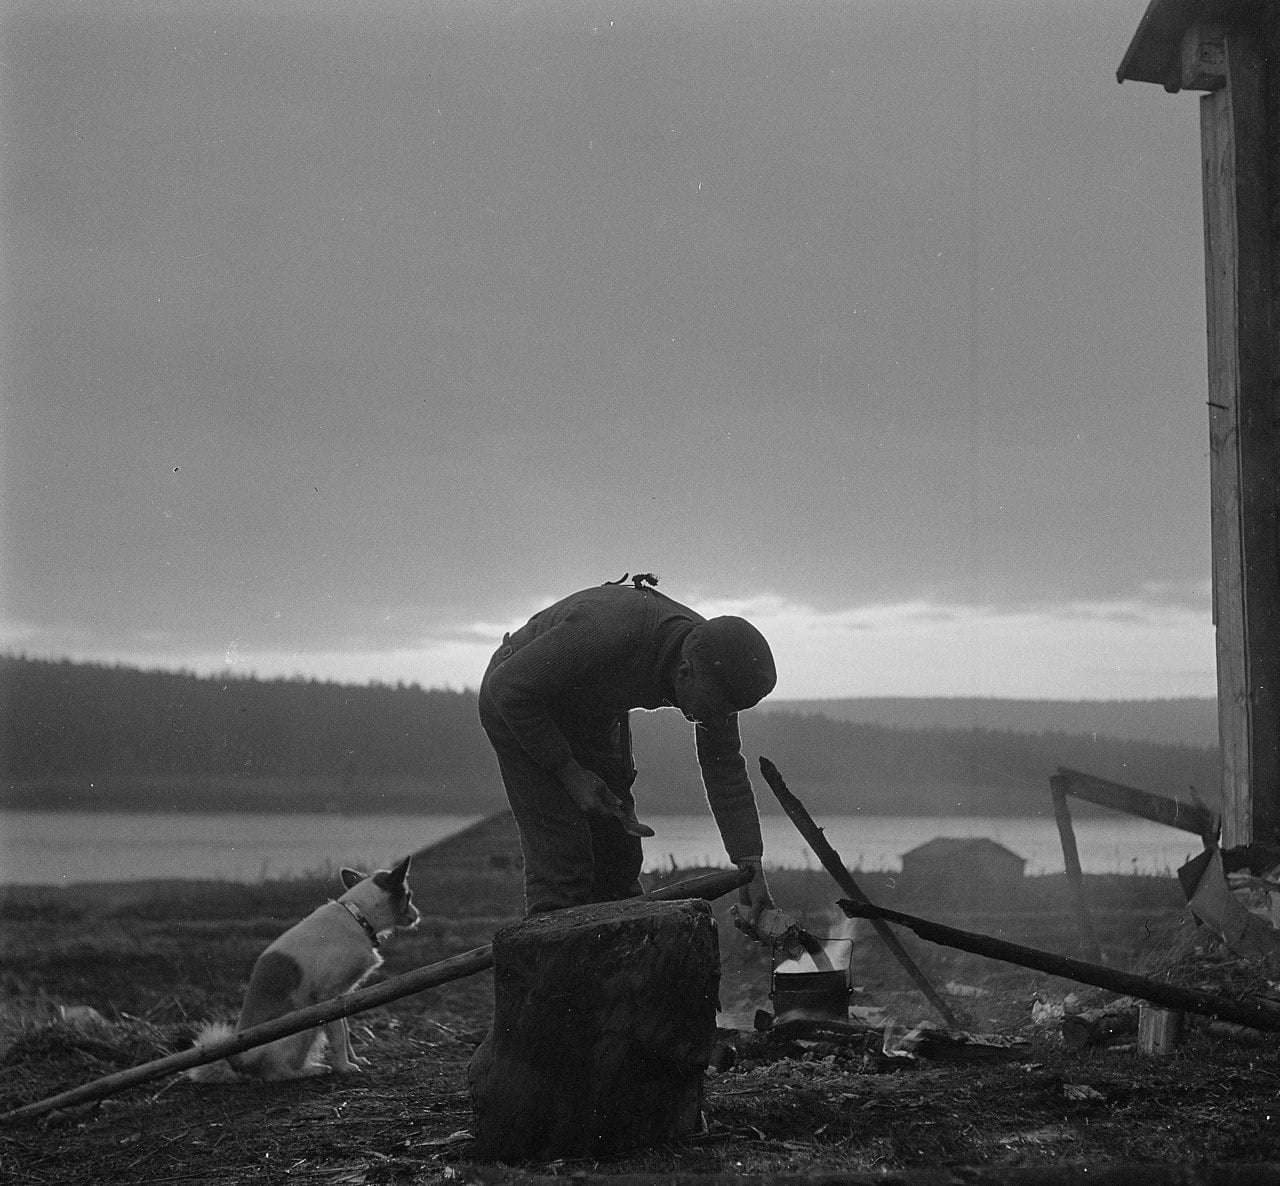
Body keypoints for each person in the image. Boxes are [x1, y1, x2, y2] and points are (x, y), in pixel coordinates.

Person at [478, 573, 777, 925]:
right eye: (714, 710)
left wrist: (750, 865)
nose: (718, 720)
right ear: (684, 672)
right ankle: (560, 970)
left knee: (618, 858)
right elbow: (509, 687)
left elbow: (724, 767)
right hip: (519, 698)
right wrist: (568, 771)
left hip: (590, 712)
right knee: (565, 863)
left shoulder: (715, 664)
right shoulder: (607, 630)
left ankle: (619, 974)